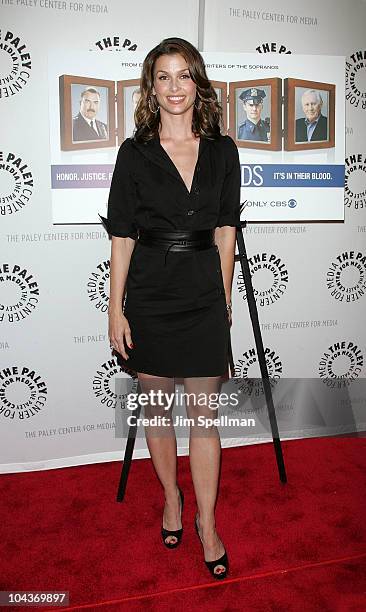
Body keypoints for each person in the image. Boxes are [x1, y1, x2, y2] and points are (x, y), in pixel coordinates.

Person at [100, 37, 240, 580]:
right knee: (157, 407)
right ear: (150, 86)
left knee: (204, 415)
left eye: (184, 75)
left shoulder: (223, 150)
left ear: (197, 82)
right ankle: (171, 497)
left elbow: (226, 229)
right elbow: (121, 237)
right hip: (151, 294)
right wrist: (117, 310)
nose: (175, 86)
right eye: (164, 76)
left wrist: (223, 300)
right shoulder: (133, 154)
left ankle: (207, 522)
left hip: (204, 292)